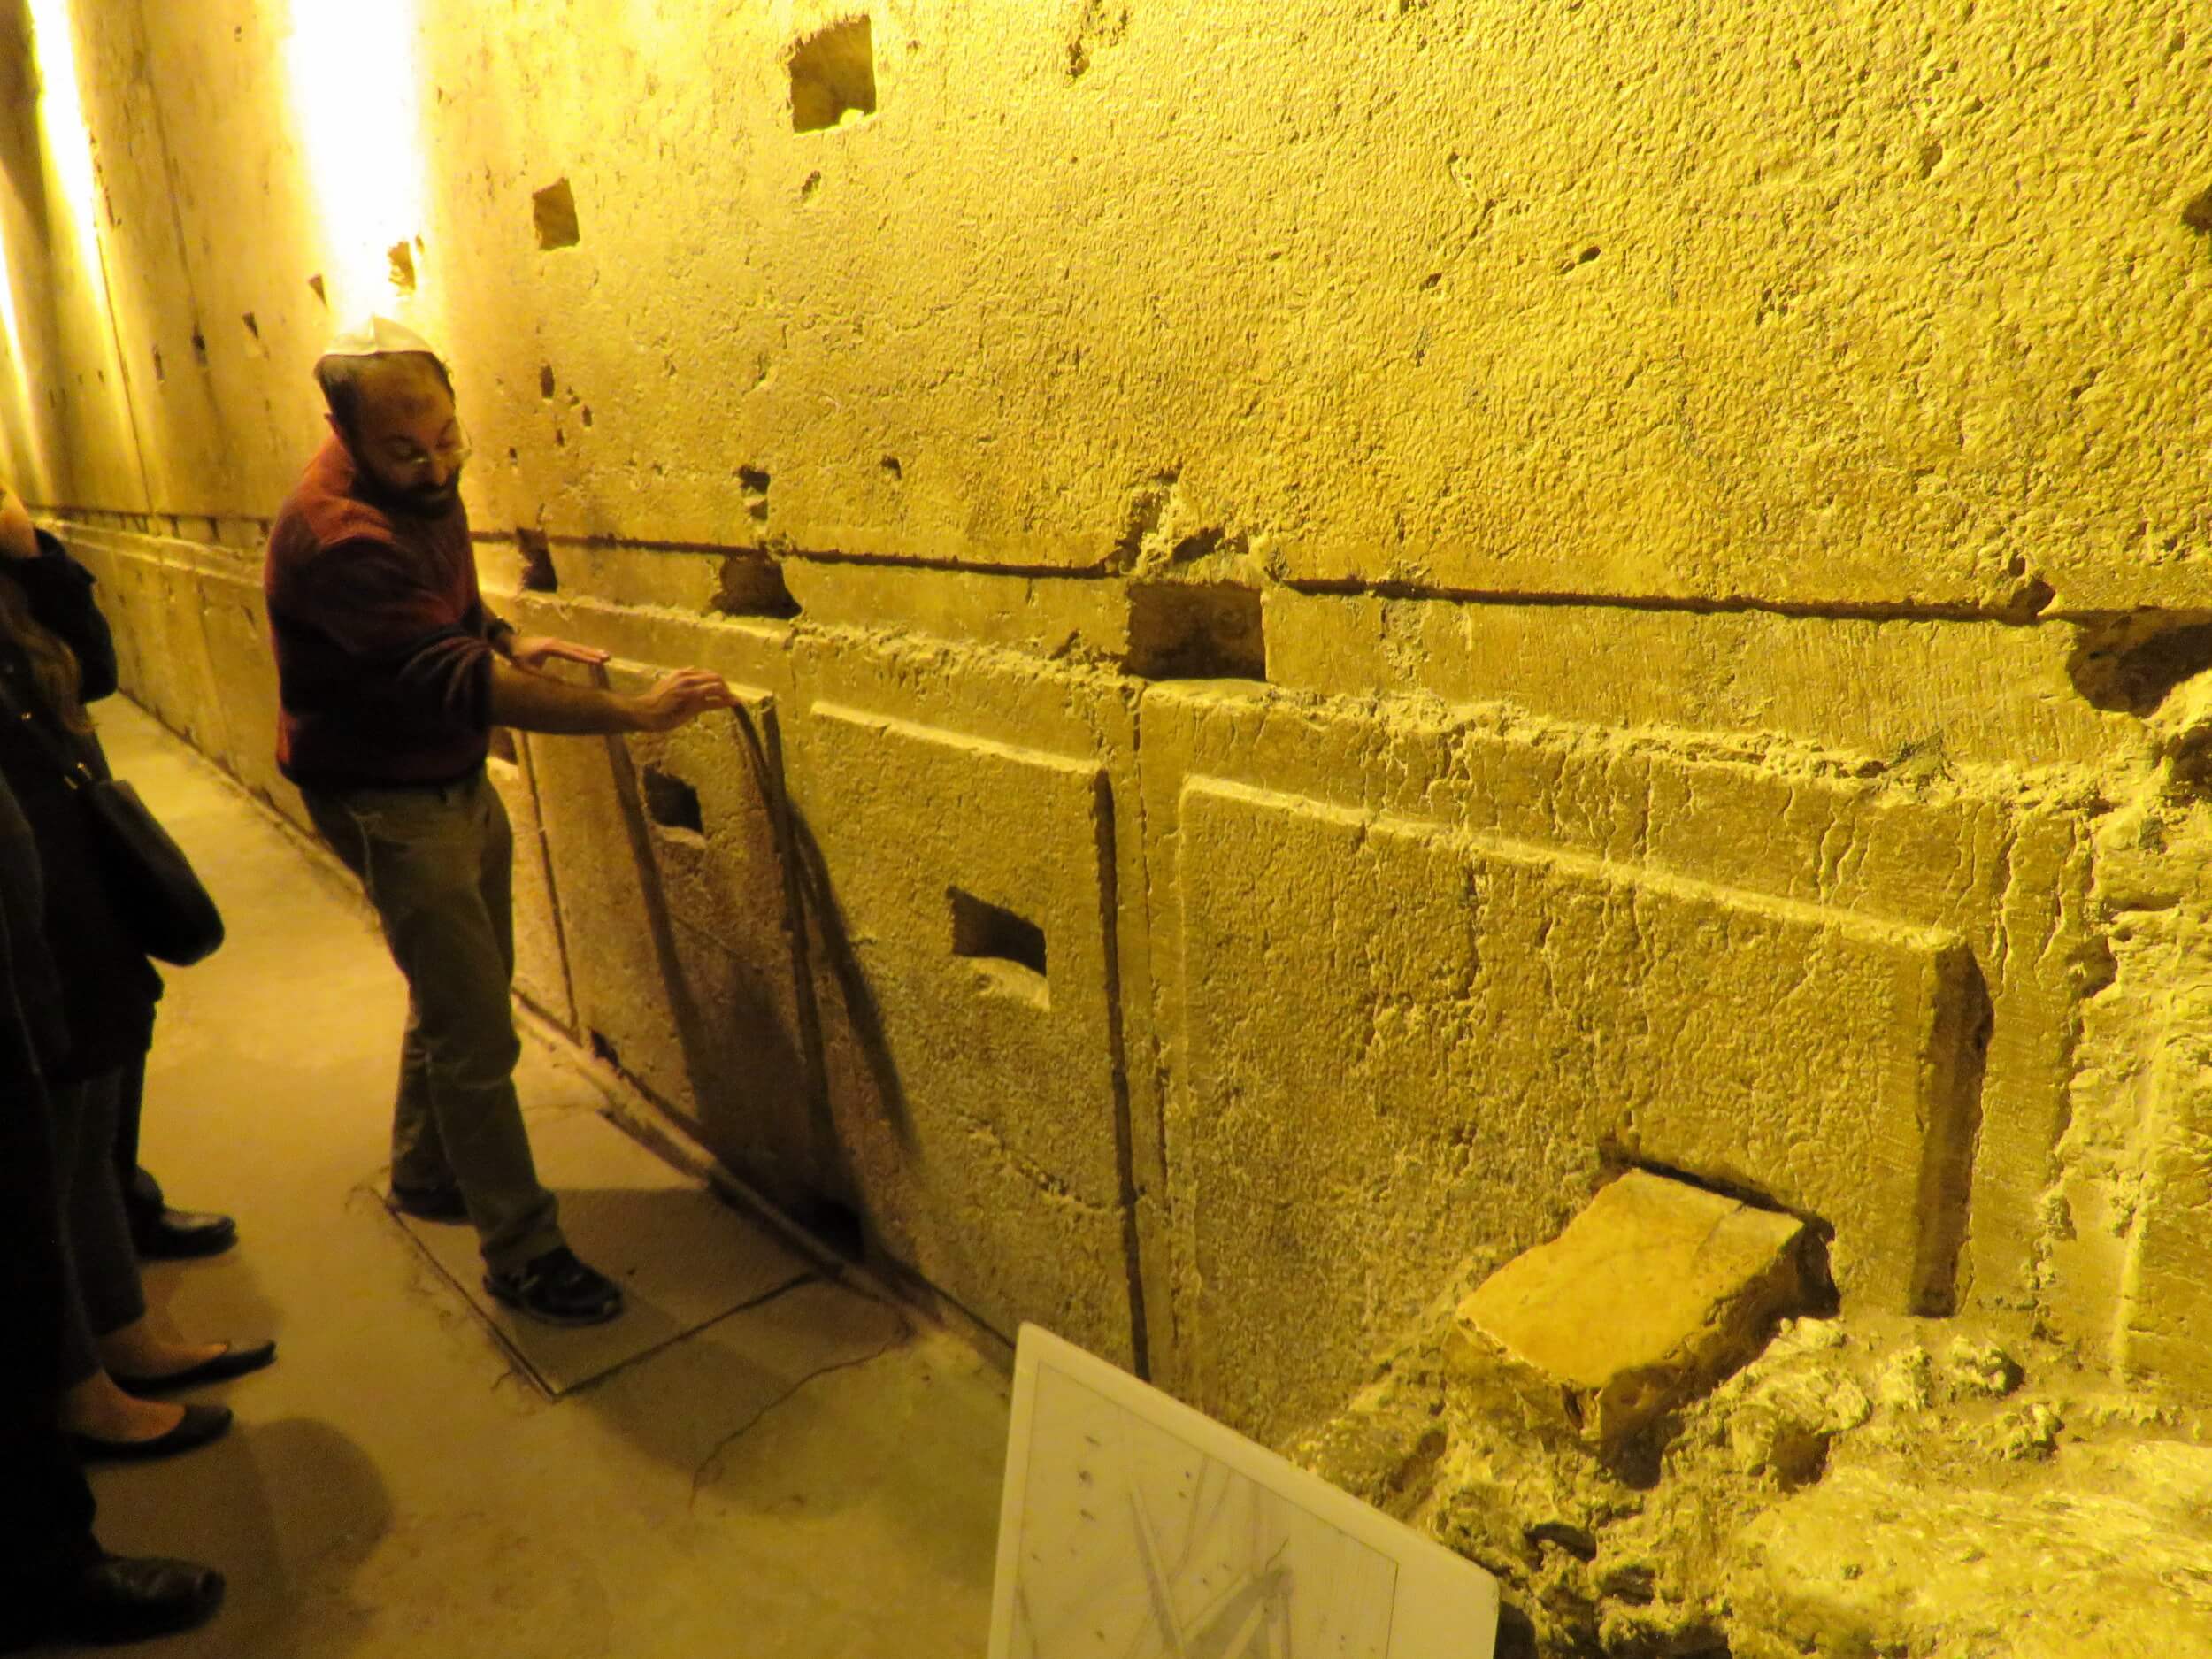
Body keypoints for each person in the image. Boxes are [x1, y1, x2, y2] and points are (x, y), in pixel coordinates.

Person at [265, 317, 737, 1326]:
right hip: (386, 796)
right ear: (341, 430)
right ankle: (522, 1251)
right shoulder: (339, 535)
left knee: (459, 990)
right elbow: (453, 679)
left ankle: (426, 1169)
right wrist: (632, 715)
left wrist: (511, 631)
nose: (434, 465)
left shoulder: (418, 481)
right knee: (477, 1030)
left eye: (447, 440)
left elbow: (451, 611)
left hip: (442, 776)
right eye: (405, 451)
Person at [0, 486, 273, 1458]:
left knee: (95, 1135)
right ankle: (83, 1388)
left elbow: (97, 668)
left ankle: (124, 1332)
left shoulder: (16, 593)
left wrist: (34, 552)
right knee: (50, 1154)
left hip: (75, 881)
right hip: (27, 911)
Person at [0, 700, 224, 1650]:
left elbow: (88, 667)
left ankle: (110, 1347)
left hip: (54, 942)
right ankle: (44, 1567)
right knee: (17, 1235)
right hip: (33, 962)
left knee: (70, 1165)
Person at [0, 485, 236, 1265]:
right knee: (79, 1042)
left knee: (119, 1013)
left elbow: (90, 669)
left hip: (67, 832)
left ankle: (118, 1213)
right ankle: (90, 1284)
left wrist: (31, 554)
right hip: (27, 854)